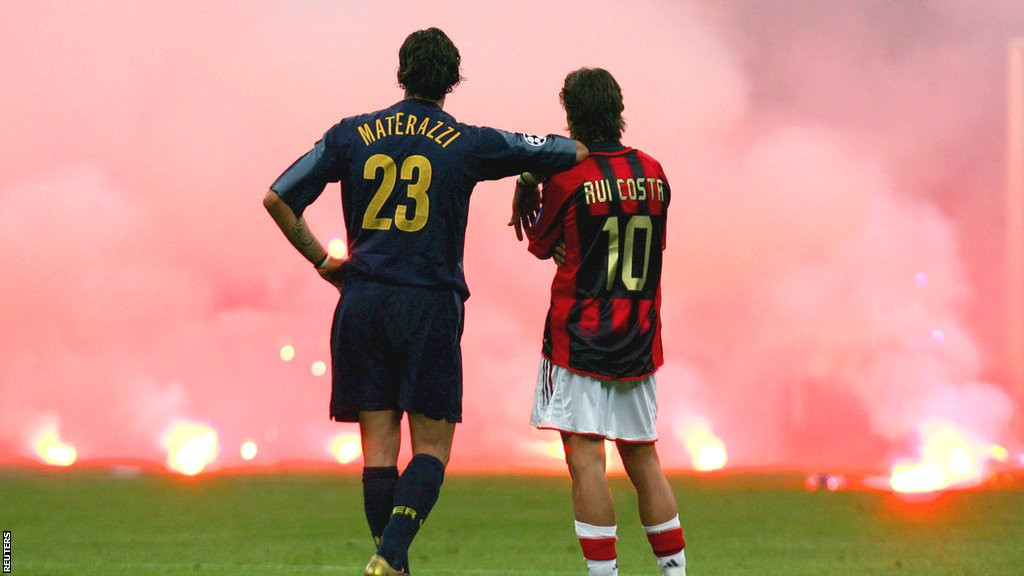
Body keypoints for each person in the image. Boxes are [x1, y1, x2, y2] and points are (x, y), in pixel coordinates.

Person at [263, 28, 587, 576]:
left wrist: (324, 262)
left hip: (362, 301)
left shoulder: (352, 134)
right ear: (453, 80)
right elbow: (568, 150)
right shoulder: (467, 141)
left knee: (379, 455)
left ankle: (393, 564)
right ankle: (389, 557)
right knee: (432, 450)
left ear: (401, 72)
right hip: (429, 306)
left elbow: (277, 197)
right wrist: (527, 177)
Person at [510, 68, 686, 576]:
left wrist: (531, 183)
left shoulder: (566, 177)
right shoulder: (654, 171)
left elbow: (540, 244)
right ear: (619, 108)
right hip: (638, 337)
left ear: (570, 113)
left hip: (578, 340)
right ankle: (675, 572)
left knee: (586, 459)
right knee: (643, 459)